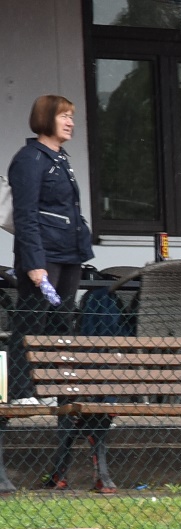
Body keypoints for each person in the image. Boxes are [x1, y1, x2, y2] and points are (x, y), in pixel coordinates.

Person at [7, 94, 91, 405]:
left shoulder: (61, 158)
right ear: (46, 118)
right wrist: (34, 263)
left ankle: (52, 390)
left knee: (60, 320)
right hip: (45, 259)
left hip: (69, 256)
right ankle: (21, 392)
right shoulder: (30, 158)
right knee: (32, 320)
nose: (70, 122)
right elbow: (25, 215)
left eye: (71, 116)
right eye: (63, 116)